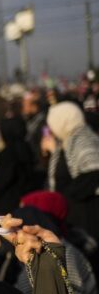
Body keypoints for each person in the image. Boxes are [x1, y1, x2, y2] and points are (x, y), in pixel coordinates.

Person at [44, 101, 99, 240]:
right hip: (71, 214)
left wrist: (66, 196)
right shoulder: (67, 140)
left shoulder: (82, 138)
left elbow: (93, 171)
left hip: (85, 215)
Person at [0, 117, 36, 215]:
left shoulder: (7, 153)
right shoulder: (28, 149)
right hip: (26, 202)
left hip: (7, 204)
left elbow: (2, 180)